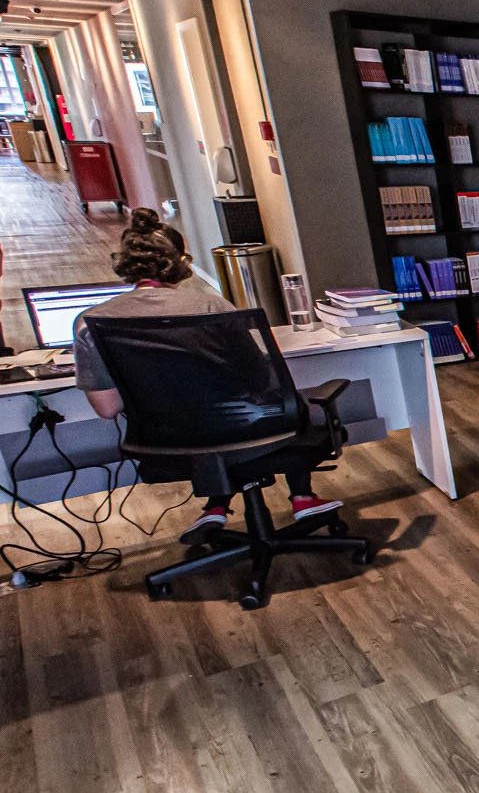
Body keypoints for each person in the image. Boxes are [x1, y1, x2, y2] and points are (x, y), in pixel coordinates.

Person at [74, 208, 343, 543]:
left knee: (204, 424)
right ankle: (302, 496)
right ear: (181, 263)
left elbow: (107, 408)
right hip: (249, 430)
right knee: (268, 409)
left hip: (166, 443)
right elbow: (260, 379)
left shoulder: (92, 323)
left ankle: (215, 507)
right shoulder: (213, 310)